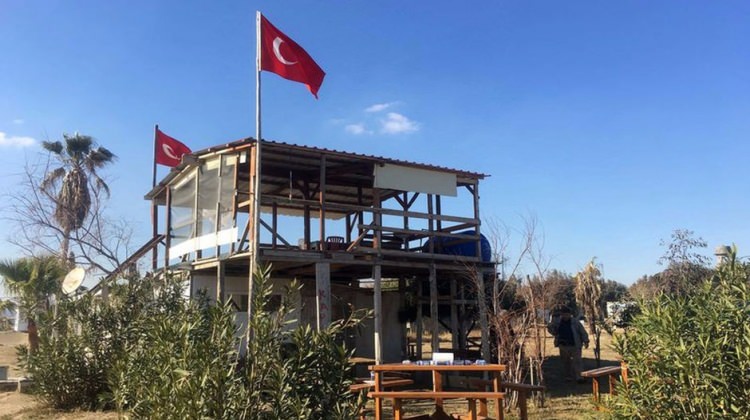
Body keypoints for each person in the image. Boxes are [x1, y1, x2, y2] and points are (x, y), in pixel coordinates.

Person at [547, 306, 589, 383]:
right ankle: (568, 376)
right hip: (563, 345)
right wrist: (550, 326)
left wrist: (586, 341)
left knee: (577, 361)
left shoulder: (575, 322)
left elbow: (582, 332)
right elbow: (553, 332)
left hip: (575, 345)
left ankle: (579, 377)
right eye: (563, 314)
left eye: (567, 314)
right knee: (566, 362)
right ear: (561, 314)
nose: (565, 316)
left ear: (570, 314)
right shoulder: (558, 322)